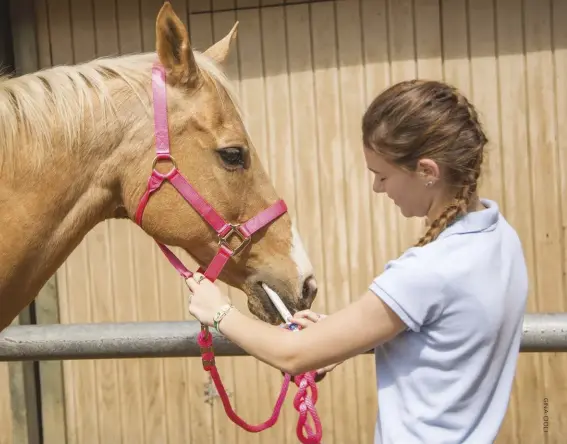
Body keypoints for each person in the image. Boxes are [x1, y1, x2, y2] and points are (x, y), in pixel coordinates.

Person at [185, 79, 528, 444]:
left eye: (382, 175)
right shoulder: (501, 239)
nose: (379, 189)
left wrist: (219, 312)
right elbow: (449, 335)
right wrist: (344, 334)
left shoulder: (428, 271)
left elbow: (293, 354)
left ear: (428, 172)